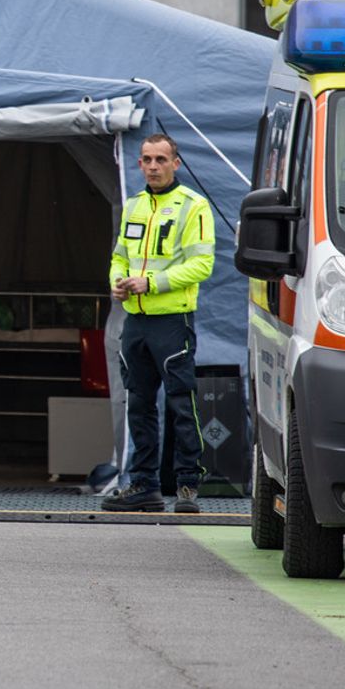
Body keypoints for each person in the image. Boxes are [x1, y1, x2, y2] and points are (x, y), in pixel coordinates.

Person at [102, 133, 216, 514]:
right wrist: (117, 283)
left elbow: (202, 265)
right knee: (139, 403)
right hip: (135, 320)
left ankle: (187, 486)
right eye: (147, 160)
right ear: (139, 165)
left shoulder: (193, 206)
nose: (153, 166)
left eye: (160, 160)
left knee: (181, 403)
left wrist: (150, 283)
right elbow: (119, 256)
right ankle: (144, 484)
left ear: (176, 163)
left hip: (171, 320)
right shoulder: (134, 206)